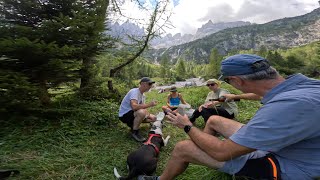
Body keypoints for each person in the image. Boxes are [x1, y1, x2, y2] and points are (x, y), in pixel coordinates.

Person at [139, 54, 320, 180]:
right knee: (214, 120)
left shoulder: (286, 107)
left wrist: (187, 126)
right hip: (290, 145)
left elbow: (222, 152)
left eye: (227, 81)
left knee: (182, 147)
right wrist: (234, 96)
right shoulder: (303, 84)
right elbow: (260, 95)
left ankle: (163, 177)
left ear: (237, 81)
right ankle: (206, 152)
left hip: (287, 164)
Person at [118, 77, 157, 142]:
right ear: (142, 84)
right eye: (149, 84)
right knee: (141, 112)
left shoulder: (143, 95)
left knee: (154, 118)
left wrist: (149, 115)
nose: (151, 86)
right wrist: (149, 104)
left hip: (133, 114)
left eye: (151, 84)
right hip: (124, 115)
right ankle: (135, 132)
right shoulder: (134, 91)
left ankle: (133, 124)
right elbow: (134, 107)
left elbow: (142, 107)